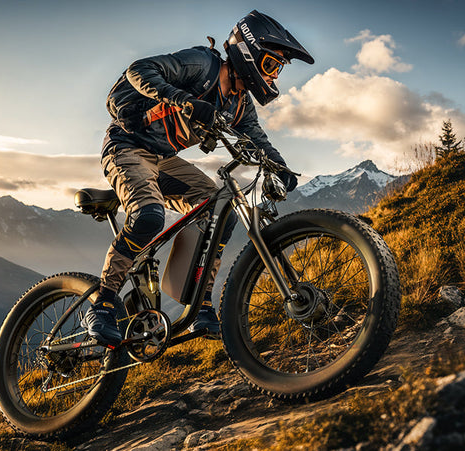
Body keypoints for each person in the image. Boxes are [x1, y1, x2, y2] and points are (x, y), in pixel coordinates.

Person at [84, 10, 314, 347]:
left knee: (220, 210)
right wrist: (184, 100)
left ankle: (200, 304)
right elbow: (138, 71)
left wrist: (280, 167)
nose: (274, 76)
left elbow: (258, 139)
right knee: (148, 214)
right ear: (248, 51)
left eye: (278, 70)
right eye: (271, 65)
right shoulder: (203, 65)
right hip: (125, 147)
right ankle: (103, 301)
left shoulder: (239, 103)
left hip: (163, 160)